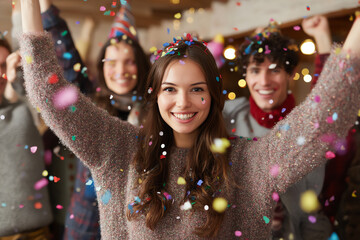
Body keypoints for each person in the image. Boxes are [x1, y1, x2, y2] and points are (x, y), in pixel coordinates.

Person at [19, 0, 360, 238]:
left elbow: (322, 119)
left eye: (196, 89)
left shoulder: (245, 162)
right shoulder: (120, 149)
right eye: (170, 89)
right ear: (155, 94)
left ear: (212, 96)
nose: (183, 102)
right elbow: (51, 97)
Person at [222, 16, 332, 239]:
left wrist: (322, 36)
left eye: (274, 69)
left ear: (290, 74)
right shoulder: (228, 116)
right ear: (246, 74)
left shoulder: (308, 123)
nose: (263, 81)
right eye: (255, 70)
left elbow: (330, 93)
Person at [62, 0, 150, 239]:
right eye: (111, 62)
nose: (120, 70)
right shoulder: (89, 104)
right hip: (87, 223)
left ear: (140, 65)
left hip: (140, 224)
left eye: (129, 61)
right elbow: (67, 60)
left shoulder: (156, 110)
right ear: (102, 66)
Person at [0, 35, 53, 239]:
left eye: (4, 65)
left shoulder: (23, 108)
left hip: (38, 233)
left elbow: (41, 97)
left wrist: (20, 76)